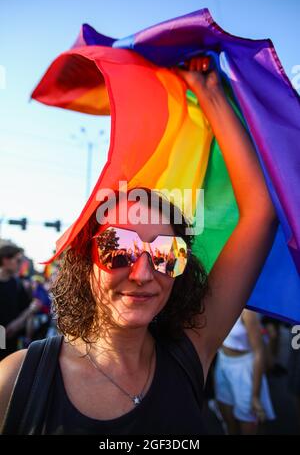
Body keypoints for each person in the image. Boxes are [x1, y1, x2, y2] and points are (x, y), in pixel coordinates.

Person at [0, 56, 277, 434]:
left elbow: (261, 210)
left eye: (166, 254)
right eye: (119, 247)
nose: (144, 273)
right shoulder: (16, 380)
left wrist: (208, 92)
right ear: (86, 259)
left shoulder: (190, 349)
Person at [214, 310, 275, 434]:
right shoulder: (220, 300)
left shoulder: (248, 312)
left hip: (244, 369)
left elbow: (259, 352)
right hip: (222, 363)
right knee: (229, 423)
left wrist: (255, 396)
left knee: (247, 424)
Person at [0, 245, 35, 361]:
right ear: (5, 260)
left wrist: (17, 323)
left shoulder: (17, 285)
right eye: (18, 260)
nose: (20, 264)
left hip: (11, 344)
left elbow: (26, 309)